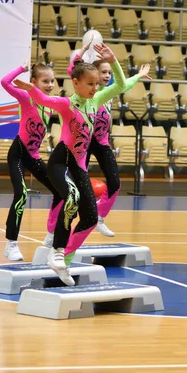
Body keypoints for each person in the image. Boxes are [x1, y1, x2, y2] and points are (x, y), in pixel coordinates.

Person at [13, 43, 126, 286]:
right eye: (90, 84)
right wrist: (31, 89)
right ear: (76, 82)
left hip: (79, 166)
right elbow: (43, 98)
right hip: (60, 162)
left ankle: (64, 259)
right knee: (71, 199)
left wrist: (114, 60)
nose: (96, 88)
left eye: (97, 84)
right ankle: (57, 250)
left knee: (91, 218)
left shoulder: (96, 100)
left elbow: (121, 85)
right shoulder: (66, 104)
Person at [67, 38, 151, 237]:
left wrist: (138, 75)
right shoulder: (93, 92)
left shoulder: (111, 91)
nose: (106, 76)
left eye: (108, 73)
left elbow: (125, 83)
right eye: (103, 72)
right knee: (75, 186)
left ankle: (100, 217)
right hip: (83, 143)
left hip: (102, 142)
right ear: (94, 76)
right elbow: (73, 70)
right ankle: (64, 223)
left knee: (114, 182)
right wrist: (80, 52)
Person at [0, 61, 63, 260]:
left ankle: (51, 236)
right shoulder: (27, 97)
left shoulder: (49, 102)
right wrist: (21, 69)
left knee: (61, 192)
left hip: (34, 156)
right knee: (21, 195)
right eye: (45, 81)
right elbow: (4, 82)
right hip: (18, 154)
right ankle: (11, 244)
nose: (50, 84)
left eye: (52, 81)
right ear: (34, 82)